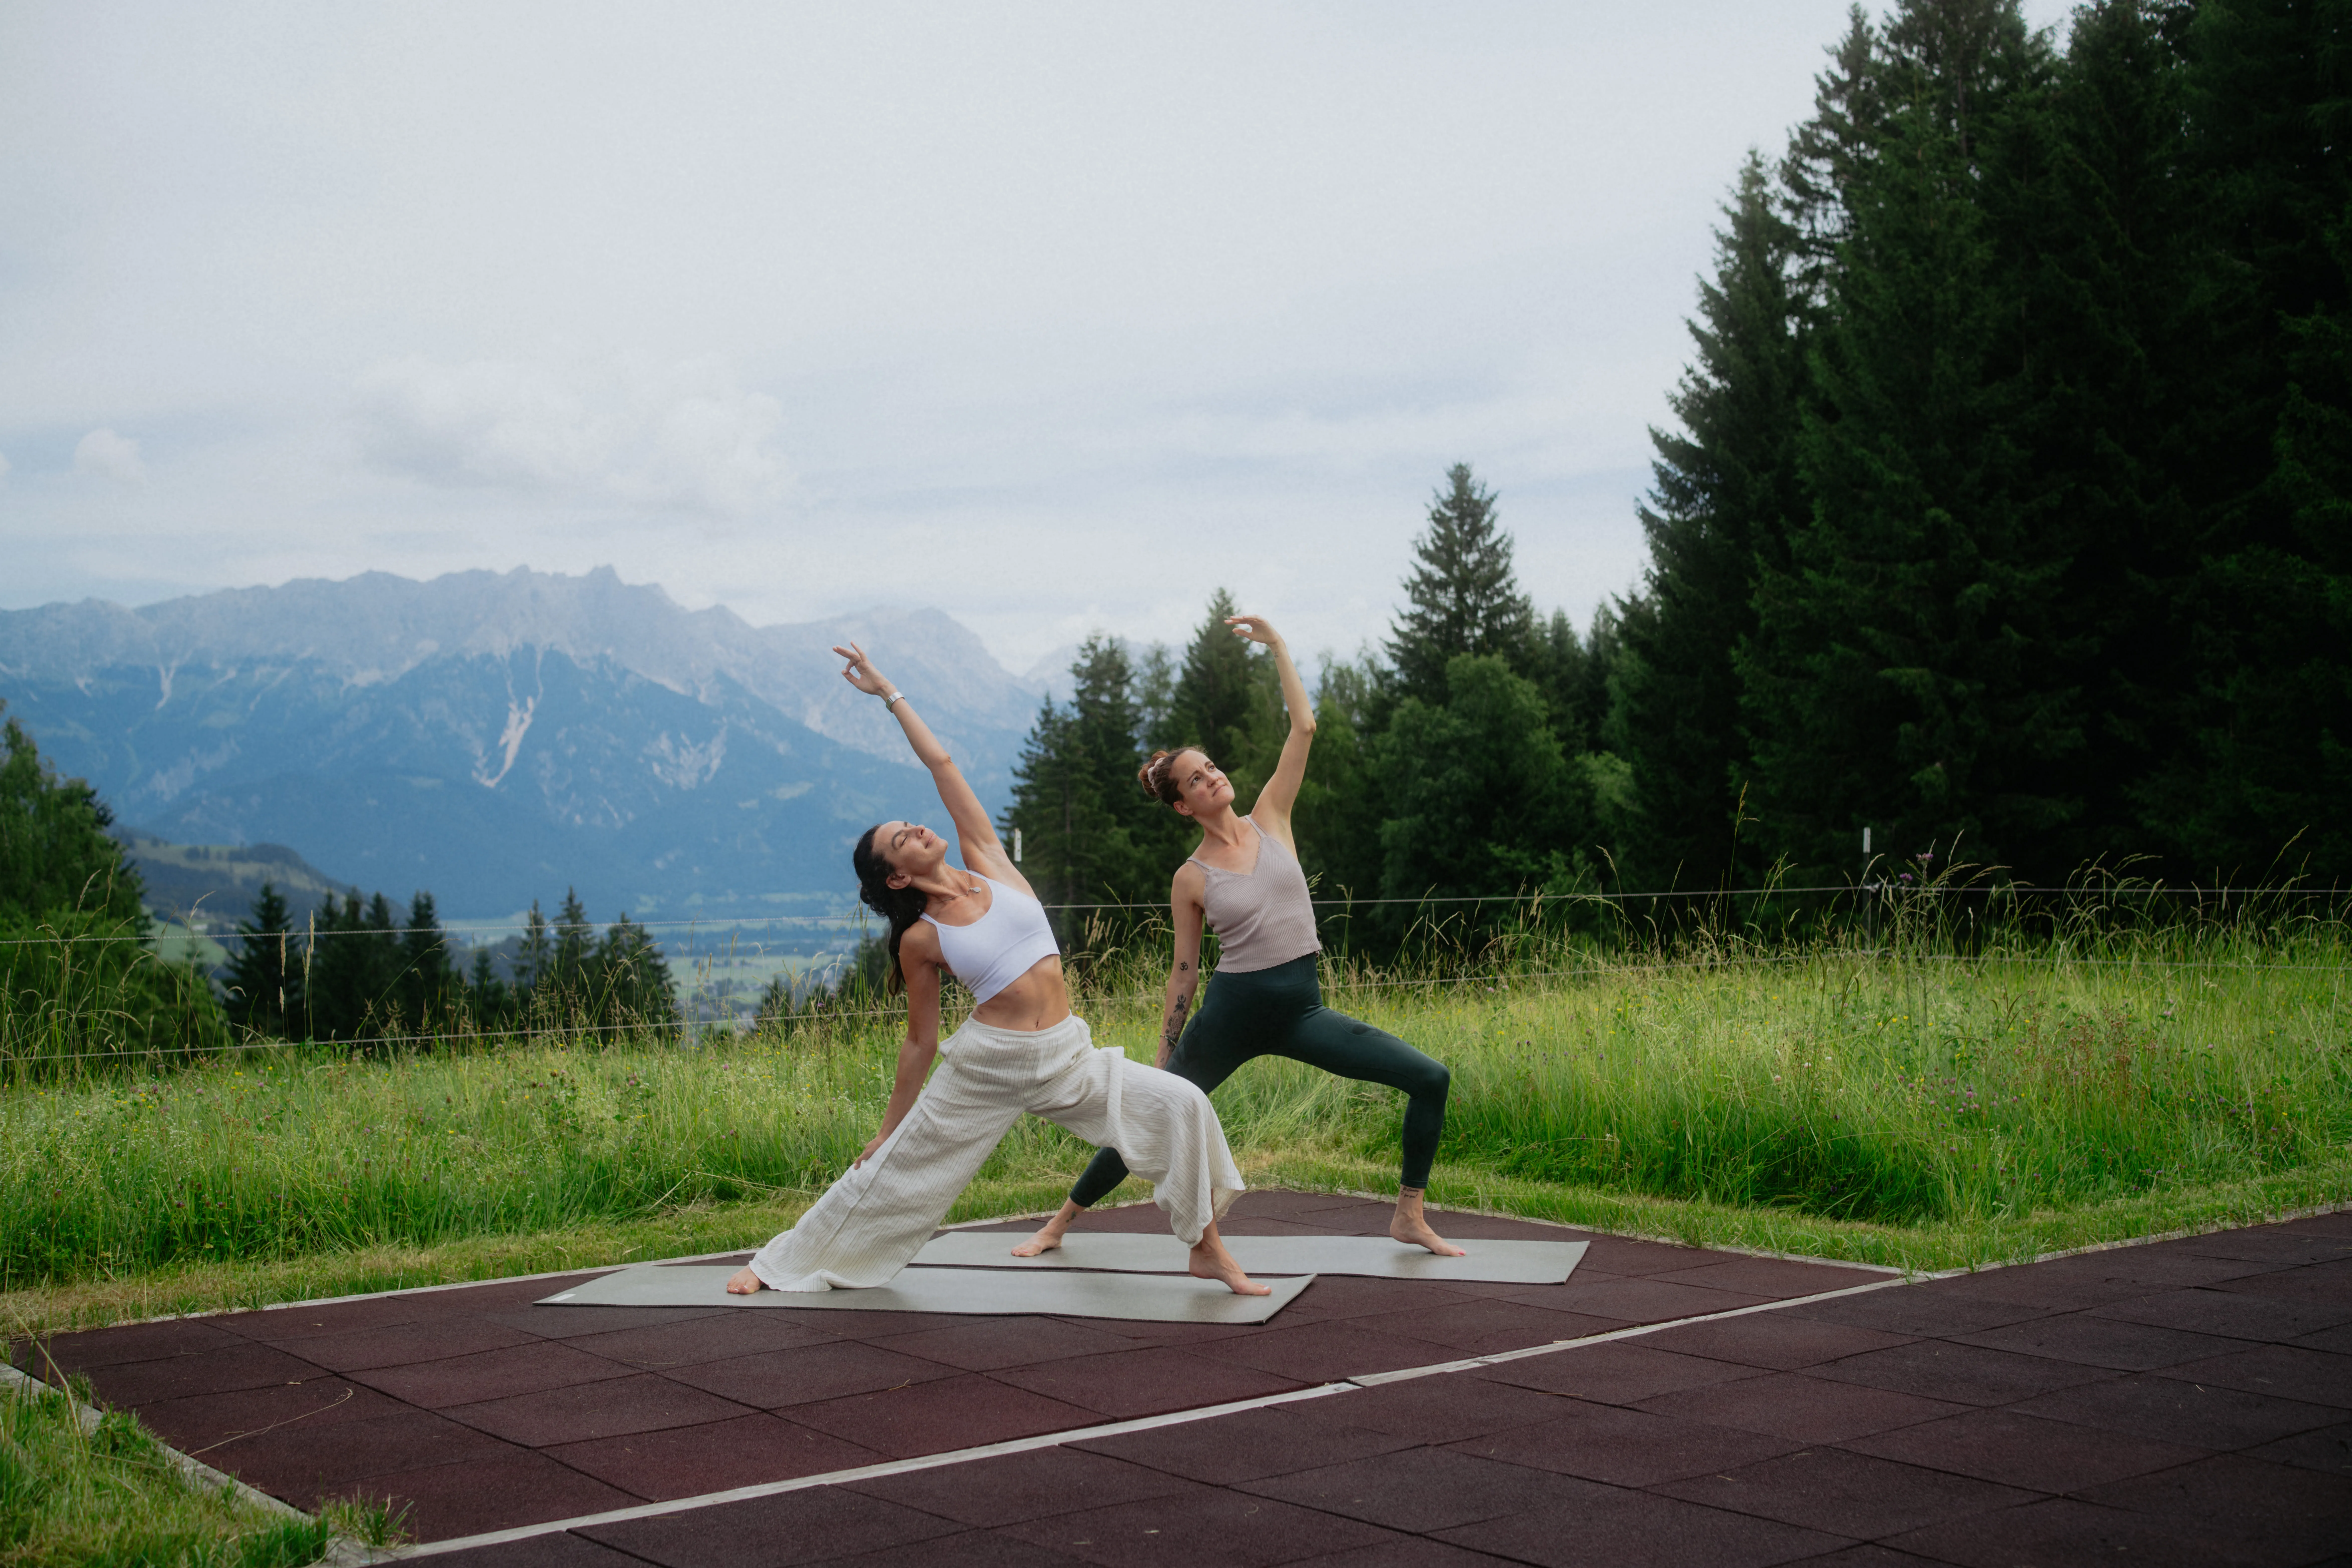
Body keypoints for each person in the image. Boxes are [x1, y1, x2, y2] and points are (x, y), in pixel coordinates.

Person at [727, 642, 1268, 1297]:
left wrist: (888, 692)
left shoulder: (990, 862)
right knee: (896, 1169)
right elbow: (920, 1040)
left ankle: (1205, 1249)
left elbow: (942, 762)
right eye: (903, 840)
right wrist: (887, 1128)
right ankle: (774, 1264)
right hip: (990, 1065)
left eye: (910, 824)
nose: (918, 830)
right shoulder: (922, 939)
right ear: (898, 874)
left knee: (1182, 1103)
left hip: (1067, 1057)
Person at [1015, 614, 1462, 1260]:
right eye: (1196, 779)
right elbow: (1185, 972)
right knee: (1152, 1113)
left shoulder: (1272, 817)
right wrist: (1165, 1053)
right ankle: (1059, 1224)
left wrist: (1278, 645)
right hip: (1232, 1015)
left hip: (1301, 1011)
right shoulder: (1190, 877)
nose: (1212, 778)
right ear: (1182, 806)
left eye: (1212, 768)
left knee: (1430, 1077)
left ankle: (1409, 1216)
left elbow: (1304, 728)